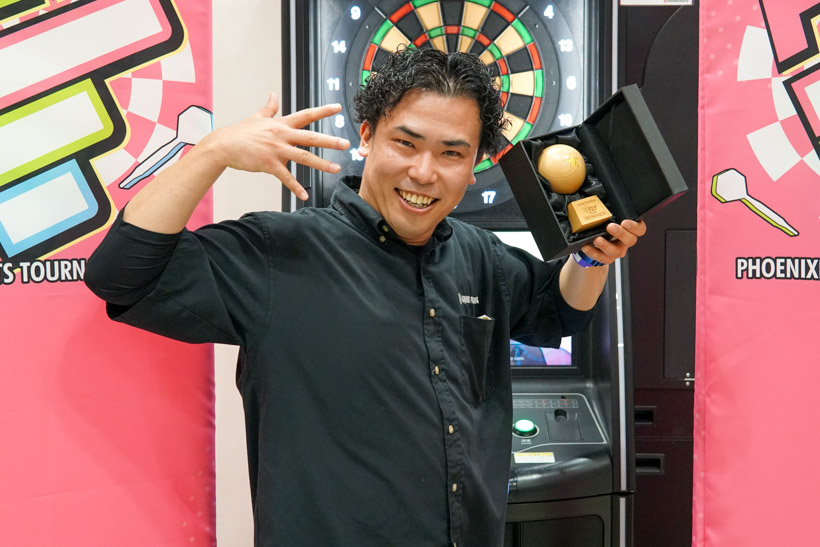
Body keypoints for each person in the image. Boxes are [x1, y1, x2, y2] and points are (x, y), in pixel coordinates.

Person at [85, 47, 646, 546]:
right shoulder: (278, 254)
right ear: (368, 134)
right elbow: (121, 275)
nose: (423, 172)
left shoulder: (481, 256)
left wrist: (592, 257)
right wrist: (212, 153)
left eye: (451, 154)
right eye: (405, 143)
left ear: (474, 166)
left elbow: (557, 311)